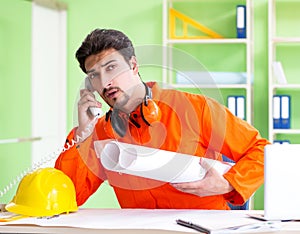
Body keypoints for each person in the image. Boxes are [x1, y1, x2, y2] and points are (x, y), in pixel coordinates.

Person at [55, 28, 269, 210]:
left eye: (111, 68)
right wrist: (82, 135)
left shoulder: (194, 109)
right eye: (94, 75)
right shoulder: (100, 132)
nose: (105, 82)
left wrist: (229, 184)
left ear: (133, 66)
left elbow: (261, 150)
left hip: (204, 227)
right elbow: (68, 196)